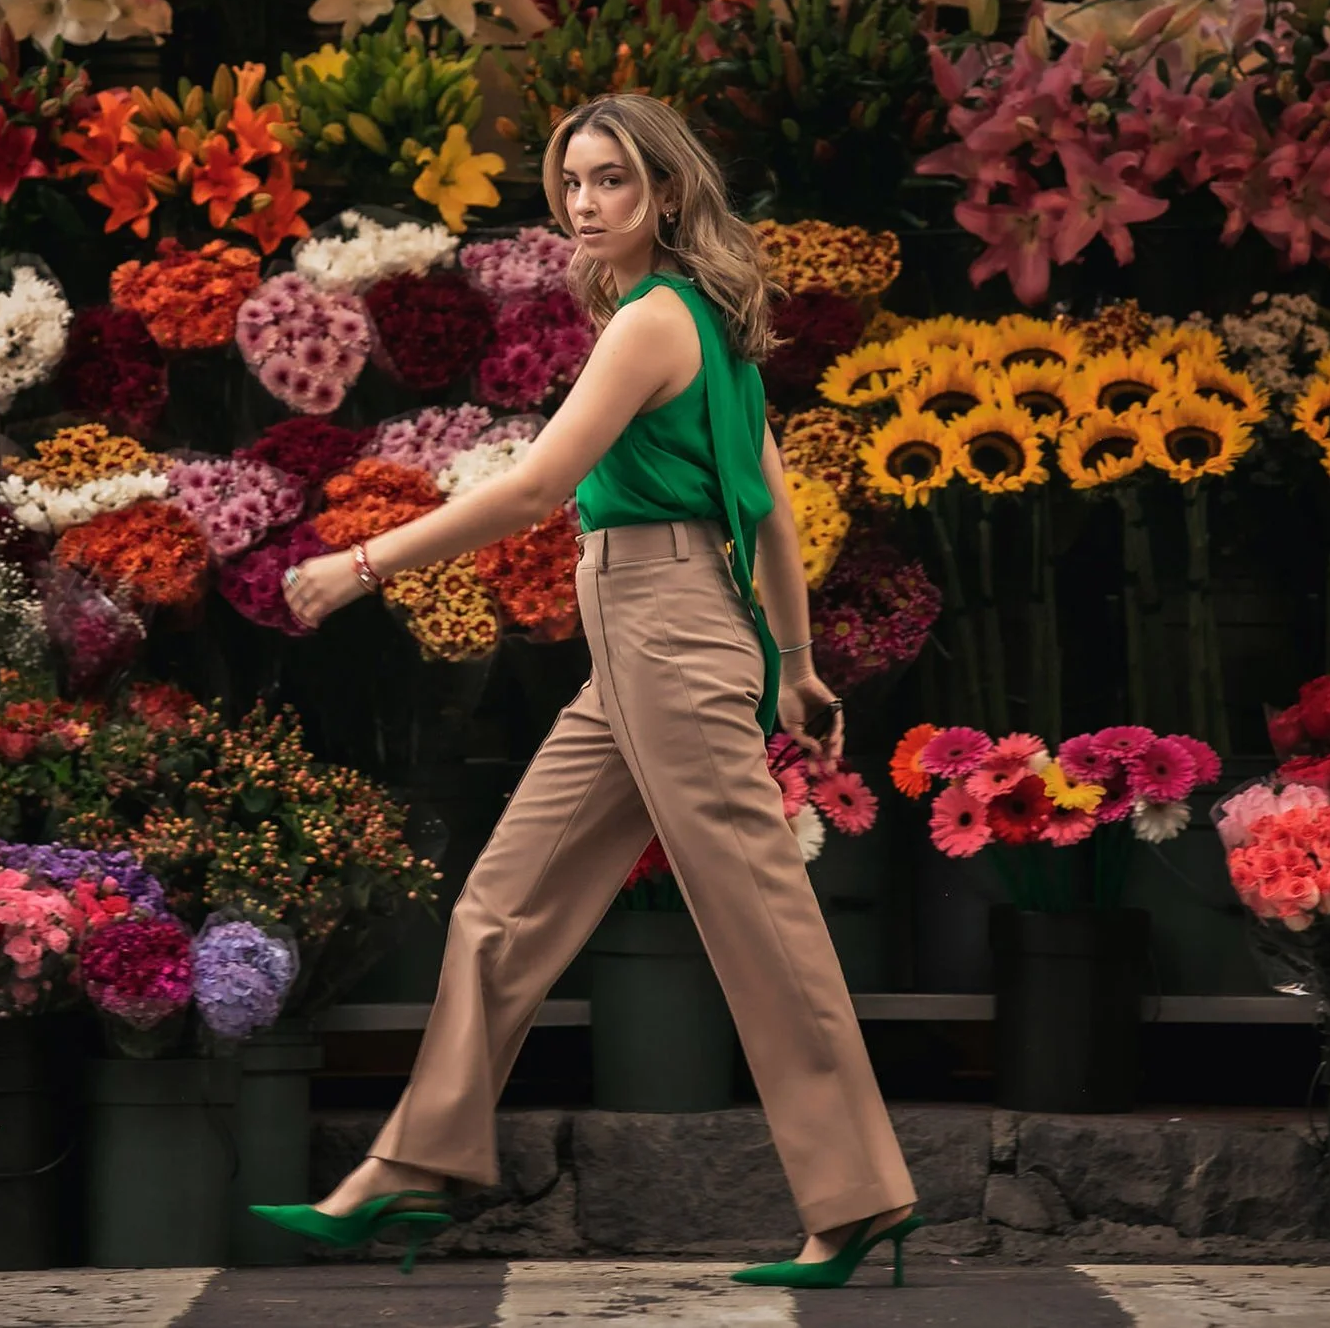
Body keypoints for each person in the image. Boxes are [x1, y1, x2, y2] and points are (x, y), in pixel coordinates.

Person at [251, 94, 923, 1288]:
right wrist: (799, 663)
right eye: (570, 181)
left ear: (664, 193)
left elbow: (534, 488)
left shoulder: (654, 323)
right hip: (647, 639)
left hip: (665, 628)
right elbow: (767, 507)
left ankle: (861, 1196)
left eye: (610, 179)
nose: (584, 201)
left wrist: (359, 565)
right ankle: (418, 1161)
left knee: (760, 924)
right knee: (501, 904)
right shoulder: (703, 325)